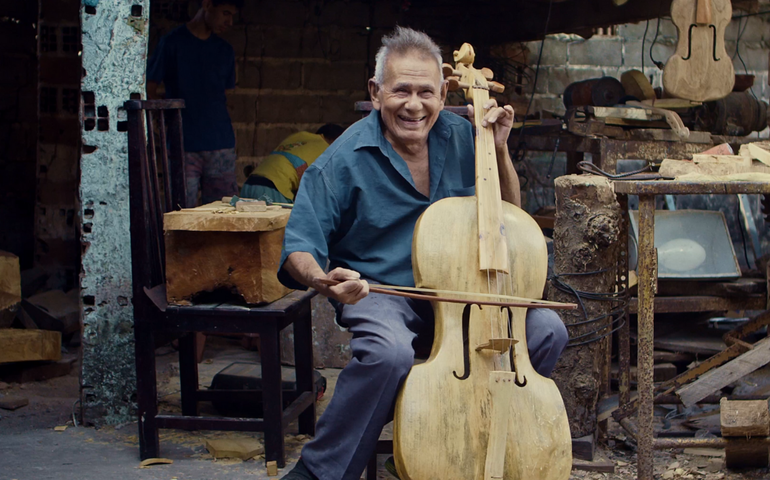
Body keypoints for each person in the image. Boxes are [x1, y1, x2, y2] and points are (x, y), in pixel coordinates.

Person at [277, 27, 569, 480]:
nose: (414, 105)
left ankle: (461, 440)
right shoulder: (344, 157)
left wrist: (498, 150)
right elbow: (299, 242)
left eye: (426, 92)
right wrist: (322, 279)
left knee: (546, 329)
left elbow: (509, 219)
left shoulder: (464, 136)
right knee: (388, 353)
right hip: (384, 293)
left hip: (464, 293)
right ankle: (320, 472)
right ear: (376, 93)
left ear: (444, 93)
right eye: (401, 91)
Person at [146, 0, 242, 207]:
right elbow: (149, 87)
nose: (229, 21)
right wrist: (161, 120)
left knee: (222, 213)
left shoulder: (225, 50)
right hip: (183, 145)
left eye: (232, 16)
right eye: (225, 12)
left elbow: (224, 94)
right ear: (207, 4)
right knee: (181, 211)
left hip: (221, 144)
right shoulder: (172, 42)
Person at [240, 124, 345, 204]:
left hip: (250, 184)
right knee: (278, 231)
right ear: (335, 140)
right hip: (274, 189)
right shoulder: (326, 150)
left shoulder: (300, 137)